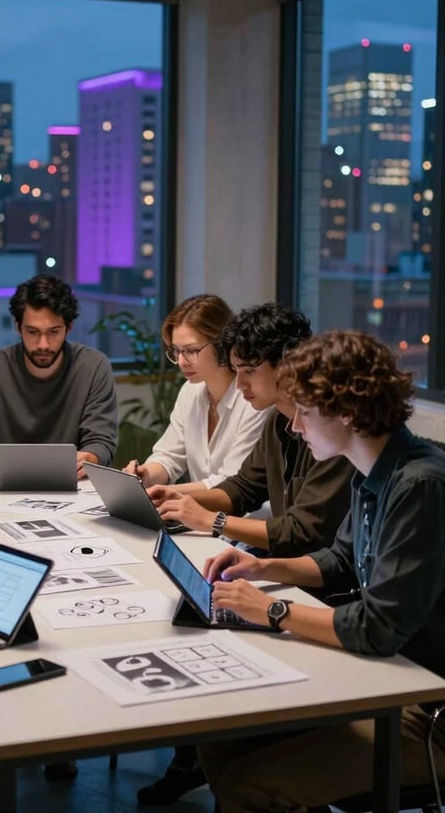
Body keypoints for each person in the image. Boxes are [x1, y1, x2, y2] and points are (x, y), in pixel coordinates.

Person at [198, 329, 445, 813]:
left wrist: (271, 608)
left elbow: (377, 627)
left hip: (426, 707)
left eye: (305, 413)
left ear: (346, 415)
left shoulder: (420, 486)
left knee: (250, 786)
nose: (295, 427)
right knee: (222, 739)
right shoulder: (373, 470)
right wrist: (261, 566)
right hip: (386, 675)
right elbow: (339, 560)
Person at [137, 303, 355, 806]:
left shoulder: (334, 436)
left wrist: (209, 522)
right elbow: (241, 486)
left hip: (322, 595)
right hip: (296, 576)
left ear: (289, 366)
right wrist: (181, 502)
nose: (241, 384)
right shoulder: (282, 426)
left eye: (248, 371)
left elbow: (308, 532)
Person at [0, 274, 118, 480]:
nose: (43, 344)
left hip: (73, 487)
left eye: (53, 331)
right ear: (18, 326)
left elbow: (102, 443)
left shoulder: (94, 367)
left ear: (69, 328)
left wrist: (89, 459)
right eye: (33, 332)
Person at [122, 294, 268, 490]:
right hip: (197, 515)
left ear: (221, 343)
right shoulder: (191, 391)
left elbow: (231, 482)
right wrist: (145, 475)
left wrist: (164, 492)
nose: (181, 362)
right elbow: (168, 457)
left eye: (191, 351)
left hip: (244, 518)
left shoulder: (253, 399)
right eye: (176, 351)